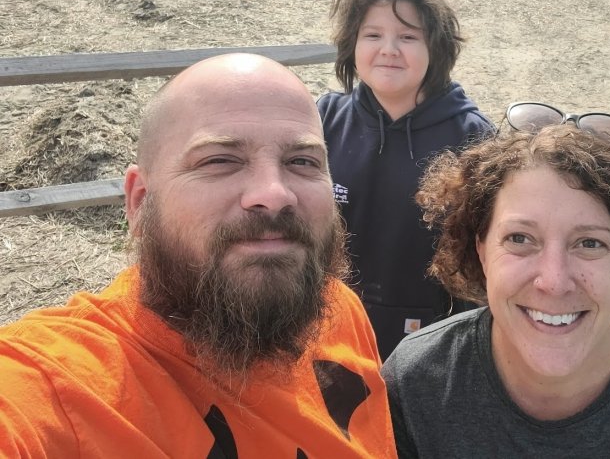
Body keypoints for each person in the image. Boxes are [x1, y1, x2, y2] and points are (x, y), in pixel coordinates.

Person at [0, 54, 396, 457]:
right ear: (140, 202)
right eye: (220, 160)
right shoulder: (59, 388)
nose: (275, 194)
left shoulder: (338, 311)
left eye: (302, 161)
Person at [382, 123, 610, 458]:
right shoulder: (415, 385)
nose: (554, 281)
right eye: (520, 239)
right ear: (481, 251)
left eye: (589, 243)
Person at [317, 0, 494, 360]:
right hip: (331, 321)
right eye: (373, 35)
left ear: (437, 49)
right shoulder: (324, 119)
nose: (389, 49)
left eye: (408, 37)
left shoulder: (471, 136)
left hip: (429, 334)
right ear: (351, 44)